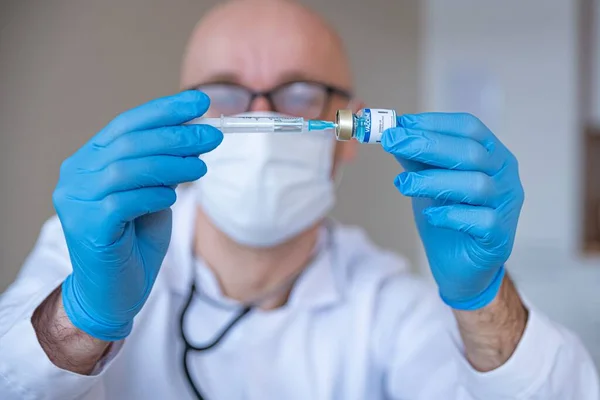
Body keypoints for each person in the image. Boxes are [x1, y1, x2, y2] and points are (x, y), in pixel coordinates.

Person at [0, 0, 598, 398]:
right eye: (226, 92)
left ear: (348, 136)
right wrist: (80, 317)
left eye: (300, 93)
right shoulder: (100, 246)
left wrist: (483, 300)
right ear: (182, 117)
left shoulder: (385, 302)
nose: (262, 120)